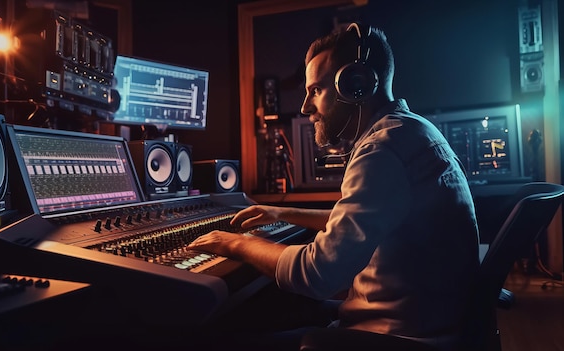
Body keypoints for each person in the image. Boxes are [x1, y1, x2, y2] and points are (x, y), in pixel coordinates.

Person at [188, 22, 480, 351]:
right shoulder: (411, 131)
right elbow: (373, 219)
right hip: (426, 323)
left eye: (315, 90)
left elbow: (317, 274)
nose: (304, 106)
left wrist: (233, 245)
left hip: (394, 338)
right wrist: (282, 212)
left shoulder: (381, 150)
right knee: (264, 310)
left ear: (355, 85)